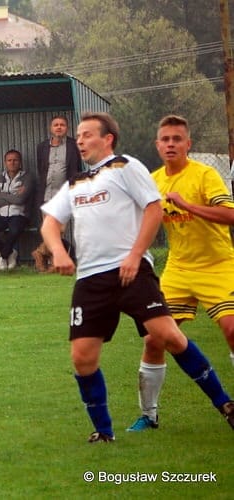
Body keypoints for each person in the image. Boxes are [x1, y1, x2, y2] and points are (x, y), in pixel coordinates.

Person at [40, 111, 234, 443]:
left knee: (167, 336)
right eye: (79, 136)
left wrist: (133, 256)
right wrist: (58, 251)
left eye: (87, 135)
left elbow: (153, 208)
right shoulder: (75, 183)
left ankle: (225, 405)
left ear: (108, 139)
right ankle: (104, 432)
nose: (80, 140)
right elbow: (49, 223)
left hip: (132, 272)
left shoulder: (125, 166)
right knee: (82, 357)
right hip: (90, 280)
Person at [128, 115, 234, 432]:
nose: (171, 144)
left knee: (231, 330)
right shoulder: (153, 181)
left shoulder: (205, 175)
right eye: (166, 139)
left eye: (177, 139)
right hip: (178, 268)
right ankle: (149, 415)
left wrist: (187, 205)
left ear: (188, 144)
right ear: (157, 145)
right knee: (154, 338)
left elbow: (230, 215)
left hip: (218, 265)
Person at [32, 115, 81, 272]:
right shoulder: (42, 147)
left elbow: (76, 168)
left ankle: (39, 253)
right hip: (45, 194)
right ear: (51, 128)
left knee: (59, 230)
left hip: (64, 194)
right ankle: (54, 263)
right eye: (56, 125)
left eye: (62, 125)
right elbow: (41, 169)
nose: (59, 127)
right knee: (49, 230)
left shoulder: (74, 145)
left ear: (67, 128)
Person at [0, 149, 35, 271]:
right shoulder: (0, 178)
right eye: (9, 160)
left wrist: (3, 195)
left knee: (14, 230)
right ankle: (10, 252)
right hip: (2, 215)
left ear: (20, 162)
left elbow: (21, 200)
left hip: (20, 214)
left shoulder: (27, 177)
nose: (12, 163)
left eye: (15, 160)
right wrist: (13, 196)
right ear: (5, 162)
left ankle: (3, 257)